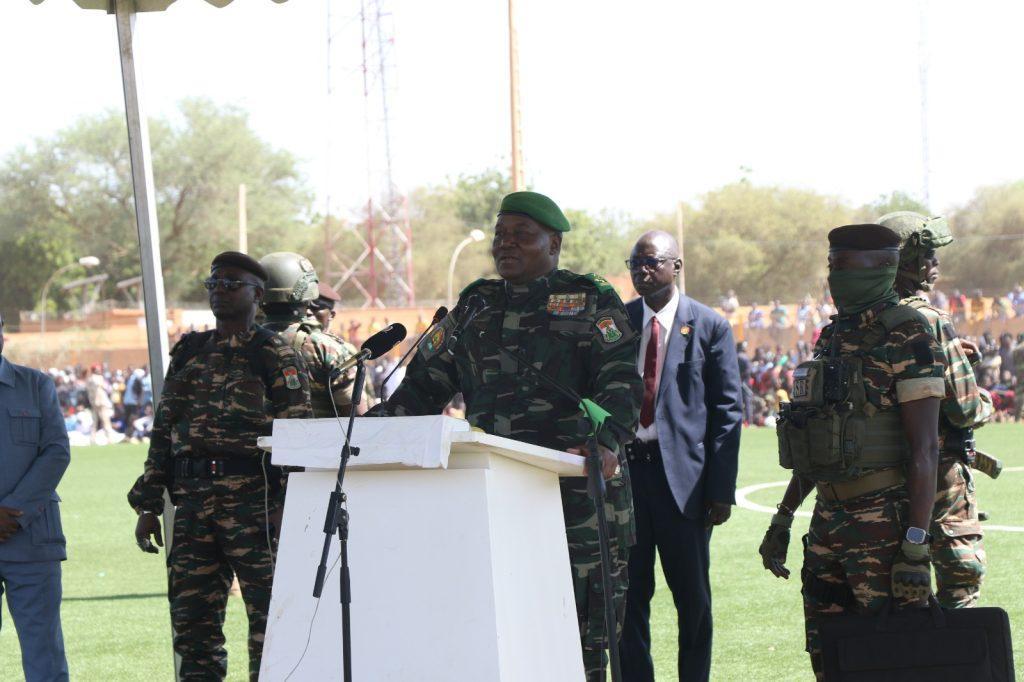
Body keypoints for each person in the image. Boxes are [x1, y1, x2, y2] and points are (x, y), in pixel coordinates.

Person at [371, 191, 642, 681]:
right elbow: (427, 384)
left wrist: (606, 441)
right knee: (502, 636)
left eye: (522, 235)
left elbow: (620, 380)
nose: (506, 245)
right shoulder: (477, 303)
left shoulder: (588, 299)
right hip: (493, 500)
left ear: (553, 244)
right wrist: (374, 427)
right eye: (500, 236)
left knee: (583, 647)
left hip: (575, 500)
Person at [758, 224, 945, 679]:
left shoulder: (909, 333)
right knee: (829, 654)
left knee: (893, 657)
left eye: (844, 266)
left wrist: (916, 546)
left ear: (884, 267)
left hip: (884, 525)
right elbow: (816, 441)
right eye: (831, 266)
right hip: (828, 521)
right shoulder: (832, 337)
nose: (835, 277)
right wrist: (783, 517)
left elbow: (925, 450)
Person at [128, 251, 312, 681]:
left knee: (269, 626)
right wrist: (149, 503)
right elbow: (164, 430)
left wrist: (289, 505)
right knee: (193, 628)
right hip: (192, 506)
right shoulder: (190, 352)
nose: (220, 292)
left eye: (232, 284)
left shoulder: (274, 354)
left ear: (258, 295)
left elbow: (299, 438)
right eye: (213, 284)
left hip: (255, 504)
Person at [618, 232, 742, 681]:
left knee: (693, 601)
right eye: (635, 264)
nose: (642, 272)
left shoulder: (709, 325)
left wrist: (720, 491)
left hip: (684, 487)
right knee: (629, 598)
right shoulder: (620, 322)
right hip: (628, 479)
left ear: (676, 266)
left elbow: (728, 413)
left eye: (651, 262)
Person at [879, 211, 994, 607]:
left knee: (900, 605)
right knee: (959, 591)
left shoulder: (862, 318)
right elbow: (965, 410)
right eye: (928, 255)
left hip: (883, 486)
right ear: (907, 263)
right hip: (941, 481)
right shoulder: (928, 318)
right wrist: (985, 399)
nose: (935, 264)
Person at [0, 311, 71, 681]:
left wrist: (13, 510)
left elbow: (57, 451)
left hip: (31, 539)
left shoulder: (35, 385)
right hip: (20, 530)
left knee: (43, 652)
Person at [258, 252, 358, 418]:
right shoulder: (326, 348)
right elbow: (355, 419)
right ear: (307, 294)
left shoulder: (238, 343)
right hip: (316, 443)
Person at [86, 364, 116, 444]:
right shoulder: (98, 378)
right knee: (105, 421)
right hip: (101, 402)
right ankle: (110, 439)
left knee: (95, 422)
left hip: (94, 403)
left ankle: (92, 439)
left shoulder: (89, 379)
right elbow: (105, 387)